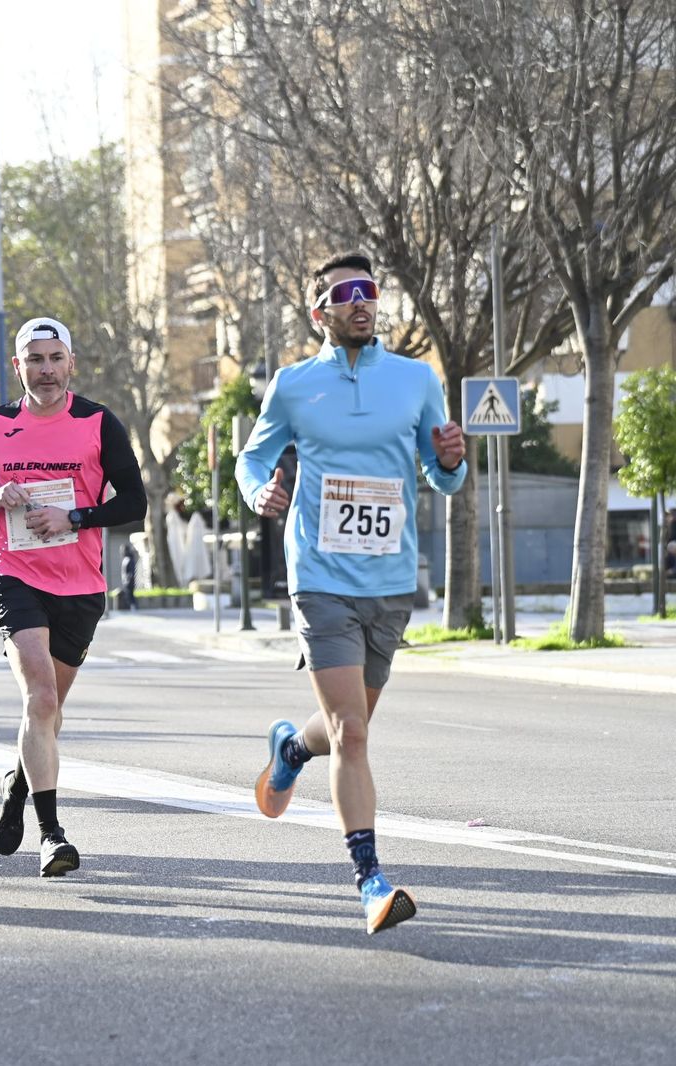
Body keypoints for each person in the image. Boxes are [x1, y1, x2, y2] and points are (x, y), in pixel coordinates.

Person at [237, 252, 467, 934]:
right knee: (355, 732)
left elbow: (439, 473)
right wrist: (261, 491)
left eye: (370, 291)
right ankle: (371, 880)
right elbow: (252, 457)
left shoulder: (415, 379)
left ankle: (290, 751)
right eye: (347, 294)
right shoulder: (293, 384)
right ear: (321, 314)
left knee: (343, 729)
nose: (363, 302)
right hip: (321, 576)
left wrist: (452, 459)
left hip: (391, 577)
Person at [0, 316, 146, 877]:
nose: (47, 369)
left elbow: (135, 502)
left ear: (71, 363)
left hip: (81, 585)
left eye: (55, 358)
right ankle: (52, 835)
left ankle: (16, 789)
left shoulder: (98, 423)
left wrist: (76, 516)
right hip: (15, 573)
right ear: (19, 367)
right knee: (39, 696)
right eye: (35, 359)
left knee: (49, 710)